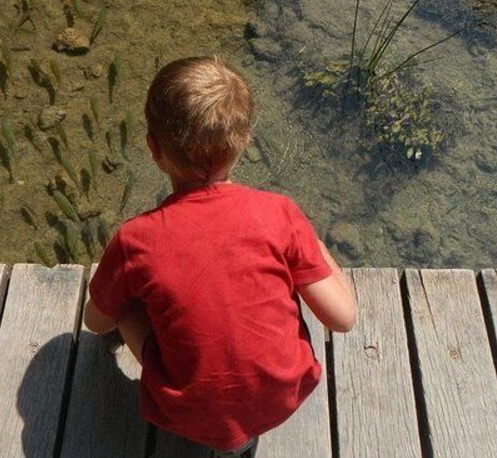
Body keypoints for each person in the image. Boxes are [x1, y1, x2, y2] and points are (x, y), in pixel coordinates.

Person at [83, 56, 356, 458]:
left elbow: (95, 322)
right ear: (244, 140)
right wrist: (310, 240)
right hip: (281, 394)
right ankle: (240, 438)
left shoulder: (135, 239)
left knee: (124, 303)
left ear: (153, 148)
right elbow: (343, 318)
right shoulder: (280, 213)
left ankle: (226, 437)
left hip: (188, 409)